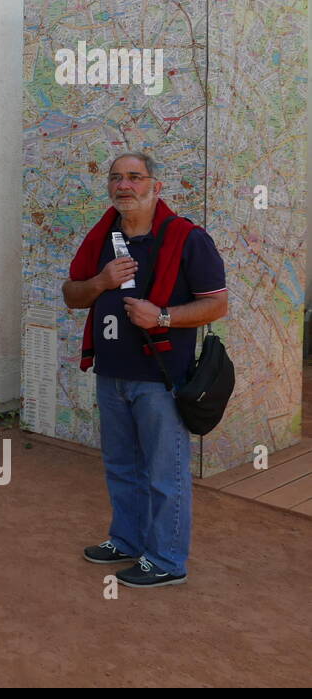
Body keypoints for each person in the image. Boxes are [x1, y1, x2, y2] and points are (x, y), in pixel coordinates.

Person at [62, 152, 227, 588]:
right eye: (116, 177)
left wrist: (163, 317)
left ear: (156, 187)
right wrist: (101, 282)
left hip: (161, 380)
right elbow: (72, 294)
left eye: (135, 177)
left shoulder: (187, 238)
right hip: (110, 373)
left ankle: (168, 560)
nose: (124, 185)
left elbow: (218, 303)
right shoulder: (102, 239)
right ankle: (126, 539)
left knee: (163, 473)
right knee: (121, 465)